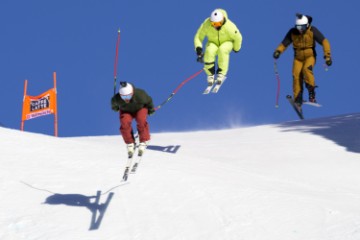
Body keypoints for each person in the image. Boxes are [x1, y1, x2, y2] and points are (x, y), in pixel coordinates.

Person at [273, 13, 332, 105]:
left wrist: (327, 56)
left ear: (307, 26)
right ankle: (298, 98)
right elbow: (284, 43)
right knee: (296, 75)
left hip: (310, 56)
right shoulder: (293, 32)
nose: (300, 30)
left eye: (302, 28)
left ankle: (311, 93)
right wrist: (278, 51)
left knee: (306, 70)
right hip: (298, 58)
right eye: (298, 27)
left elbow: (325, 42)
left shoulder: (312, 31)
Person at [194, 8, 243, 86]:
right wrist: (198, 48)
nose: (216, 26)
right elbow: (198, 37)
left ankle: (221, 73)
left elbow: (238, 37)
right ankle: (210, 74)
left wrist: (236, 48)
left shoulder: (230, 26)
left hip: (227, 42)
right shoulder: (207, 24)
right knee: (209, 51)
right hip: (213, 42)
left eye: (218, 24)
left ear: (222, 20)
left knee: (222, 50)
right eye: (214, 24)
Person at [111, 82, 155, 157]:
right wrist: (115, 108)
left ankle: (144, 140)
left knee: (141, 120)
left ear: (132, 93)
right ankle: (130, 142)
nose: (126, 99)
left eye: (128, 96)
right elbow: (113, 103)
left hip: (140, 109)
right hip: (126, 111)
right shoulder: (117, 98)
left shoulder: (140, 94)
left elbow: (149, 100)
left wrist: (151, 110)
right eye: (124, 97)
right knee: (124, 122)